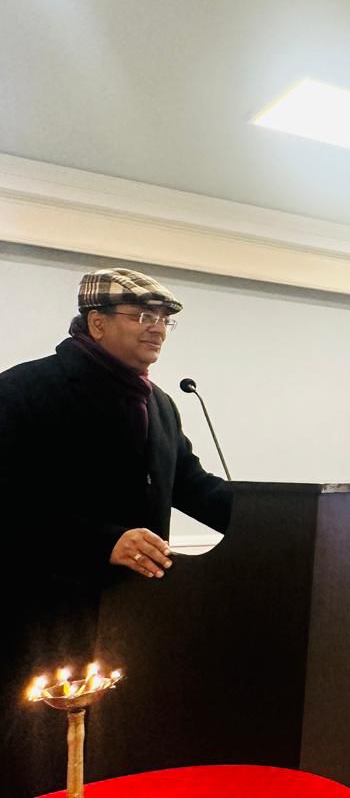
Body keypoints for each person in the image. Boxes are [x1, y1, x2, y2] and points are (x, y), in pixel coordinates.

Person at [0, 267, 233, 797]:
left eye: (165, 319)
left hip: (131, 615)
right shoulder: (24, 390)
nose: (157, 328)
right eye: (143, 315)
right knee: (35, 758)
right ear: (97, 323)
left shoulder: (159, 404)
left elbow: (191, 484)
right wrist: (102, 540)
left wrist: (273, 517)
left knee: (117, 754)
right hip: (40, 615)